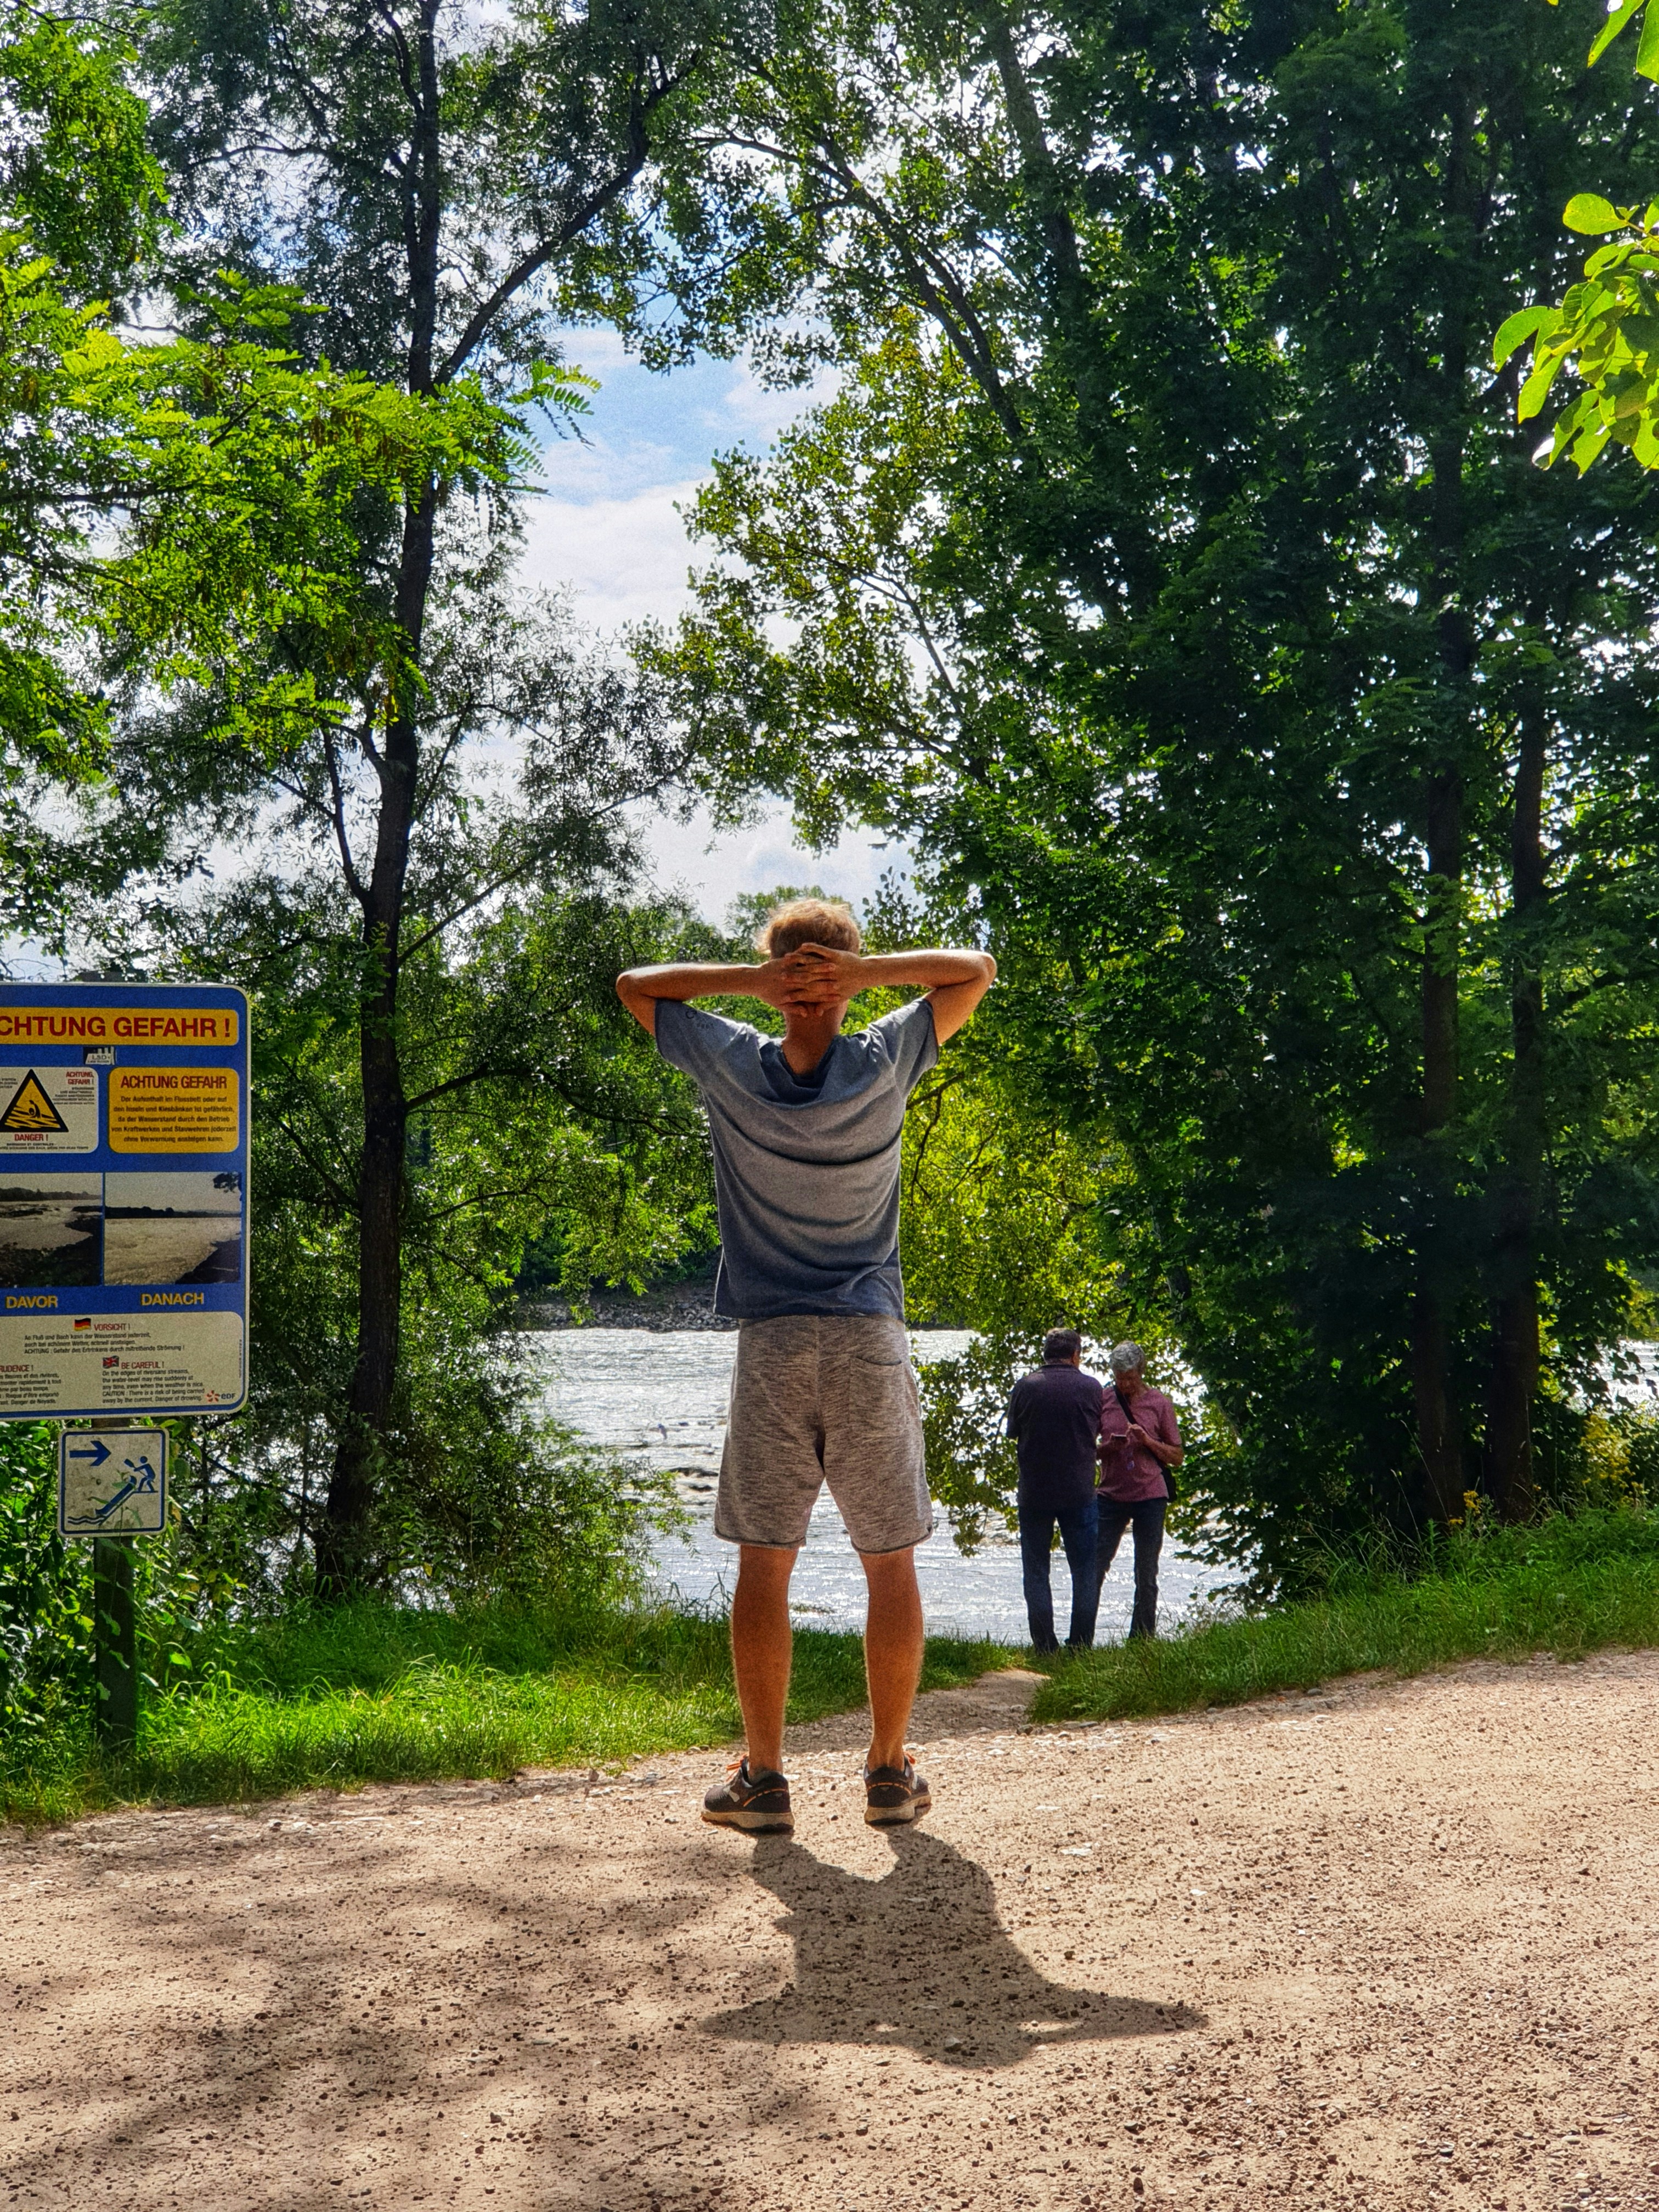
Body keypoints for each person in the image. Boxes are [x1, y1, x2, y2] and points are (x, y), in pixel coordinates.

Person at [616, 896, 996, 1836]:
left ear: (778, 973)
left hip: (774, 1340)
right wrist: (859, 977)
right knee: (889, 1559)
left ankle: (766, 1777)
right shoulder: (885, 1056)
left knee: (765, 1558)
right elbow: (974, 968)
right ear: (842, 971)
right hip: (868, 1336)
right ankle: (885, 1773)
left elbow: (632, 989)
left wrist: (755, 985)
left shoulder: (733, 1062)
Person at [1004, 1329, 1104, 1653]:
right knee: (1085, 1571)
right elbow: (1099, 1431)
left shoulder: (1026, 1386)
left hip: (1035, 1492)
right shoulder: (1092, 1388)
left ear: (1045, 1354)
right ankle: (1080, 1644)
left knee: (1036, 1570)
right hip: (1079, 1491)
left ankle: (1044, 1645)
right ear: (1076, 1354)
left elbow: (1013, 1432)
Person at [1094, 1340, 1183, 1640]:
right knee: (1094, 1567)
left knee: (1146, 1573)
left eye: (1130, 1378)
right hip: (1110, 1495)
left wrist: (1148, 1441)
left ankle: (1142, 1639)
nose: (1125, 1384)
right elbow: (1088, 1450)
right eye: (1120, 1378)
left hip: (1150, 1496)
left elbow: (1177, 1456)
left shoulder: (1159, 1403)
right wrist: (1109, 1447)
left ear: (1141, 1372)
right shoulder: (1104, 1399)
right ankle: (1081, 1639)